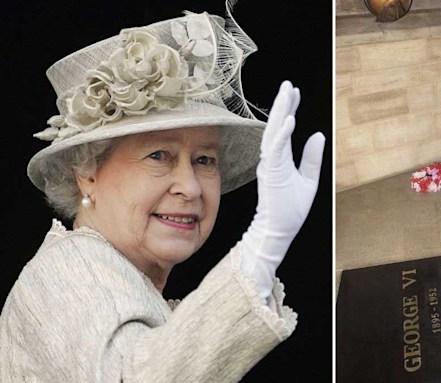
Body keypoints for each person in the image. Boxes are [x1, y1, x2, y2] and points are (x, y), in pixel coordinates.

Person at [0, 3, 326, 382]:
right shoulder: (68, 274)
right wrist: (264, 243)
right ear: (86, 172)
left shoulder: (118, 277)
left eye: (205, 160)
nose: (189, 187)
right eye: (158, 155)